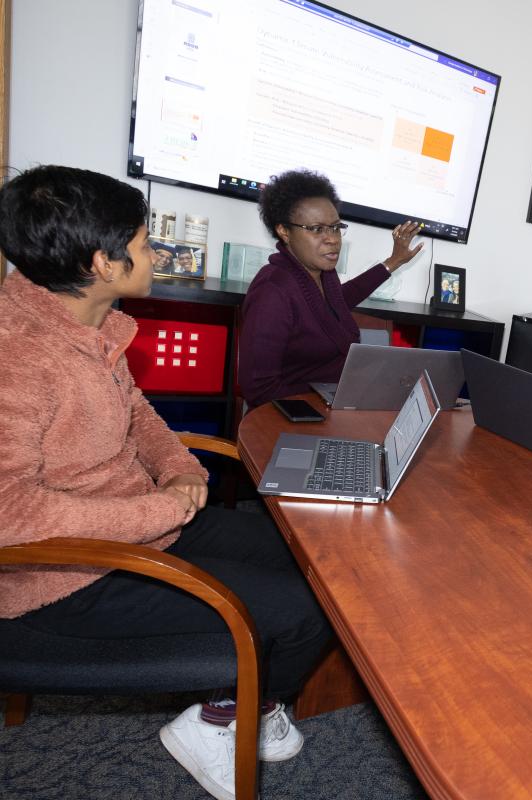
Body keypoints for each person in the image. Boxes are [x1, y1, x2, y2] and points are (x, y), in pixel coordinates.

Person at [0, 165, 333, 800]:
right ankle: (220, 720)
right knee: (306, 609)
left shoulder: (79, 323)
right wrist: (154, 510)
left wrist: (180, 470)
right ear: (103, 262)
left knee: (312, 556)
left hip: (139, 522)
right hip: (65, 576)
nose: (158, 253)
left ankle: (249, 703)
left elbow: (138, 413)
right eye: (147, 242)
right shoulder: (17, 356)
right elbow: (8, 513)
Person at [238, 169, 424, 408]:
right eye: (317, 229)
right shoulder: (272, 292)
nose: (333, 239)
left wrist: (393, 262)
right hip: (287, 415)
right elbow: (258, 389)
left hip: (330, 403)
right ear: (284, 231)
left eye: (336, 228)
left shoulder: (321, 274)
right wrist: (325, 400)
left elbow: (336, 302)